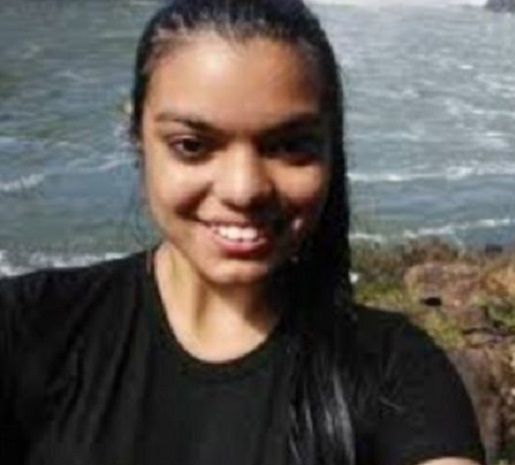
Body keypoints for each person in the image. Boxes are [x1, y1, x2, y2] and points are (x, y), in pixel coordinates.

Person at [0, 0, 485, 464]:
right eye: (192, 146)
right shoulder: (29, 327)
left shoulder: (393, 369)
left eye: (290, 146)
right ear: (137, 138)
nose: (244, 189)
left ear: (331, 149)